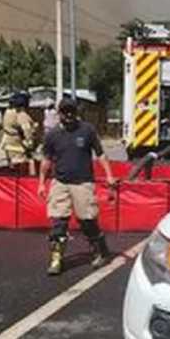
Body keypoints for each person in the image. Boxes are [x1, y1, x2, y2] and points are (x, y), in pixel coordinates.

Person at [37, 100, 116, 275]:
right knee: (58, 221)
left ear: (76, 112)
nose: (69, 115)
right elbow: (46, 160)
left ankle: (100, 251)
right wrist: (42, 182)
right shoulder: (52, 135)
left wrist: (109, 175)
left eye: (71, 111)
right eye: (65, 112)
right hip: (60, 182)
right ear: (59, 113)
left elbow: (100, 154)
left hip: (83, 183)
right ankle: (56, 259)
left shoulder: (87, 130)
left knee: (87, 220)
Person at [1, 92, 36, 175]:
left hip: (8, 145)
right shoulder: (22, 115)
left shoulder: (7, 112)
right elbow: (27, 131)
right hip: (19, 147)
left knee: (12, 168)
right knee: (23, 169)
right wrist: (30, 144)